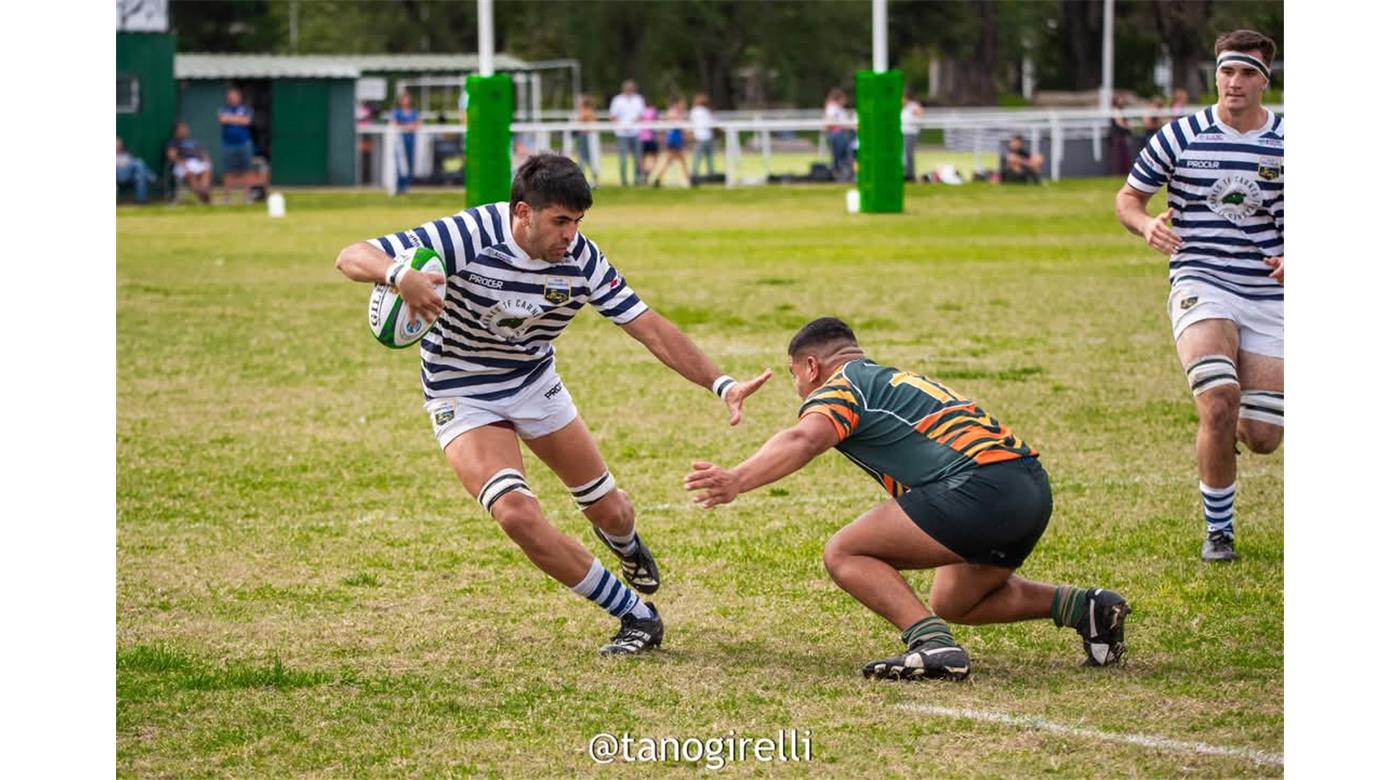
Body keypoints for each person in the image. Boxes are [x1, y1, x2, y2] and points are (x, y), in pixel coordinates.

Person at [333, 153, 771, 655]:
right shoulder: (472, 234)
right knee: (516, 513)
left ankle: (625, 544)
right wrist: (396, 274)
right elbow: (350, 255)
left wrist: (722, 384)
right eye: (560, 221)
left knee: (610, 510)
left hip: (534, 384)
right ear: (523, 212)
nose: (570, 234)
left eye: (578, 222)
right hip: (462, 390)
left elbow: (648, 327)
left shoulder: (582, 259)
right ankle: (636, 615)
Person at [685, 318, 1129, 680]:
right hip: (1028, 485)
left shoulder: (845, 387)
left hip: (980, 486)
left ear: (812, 366)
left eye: (795, 376)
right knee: (956, 601)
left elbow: (803, 440)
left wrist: (737, 479)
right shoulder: (889, 379)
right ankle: (1085, 606)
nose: (800, 388)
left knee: (845, 551)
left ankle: (933, 647)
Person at [1113, 30, 1283, 562]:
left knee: (1260, 436)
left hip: (1269, 296)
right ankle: (1219, 533)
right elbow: (1128, 198)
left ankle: (1234, 423)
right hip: (1200, 280)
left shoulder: (1291, 141)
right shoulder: (1180, 135)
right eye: (1227, 71)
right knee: (1216, 401)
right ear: (1215, 74)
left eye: (1247, 72)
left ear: (1265, 80)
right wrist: (1145, 226)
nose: (1235, 82)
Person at [218, 87, 257, 204]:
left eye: (234, 97)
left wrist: (230, 119)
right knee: (228, 171)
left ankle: (247, 196)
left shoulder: (246, 109)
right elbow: (222, 120)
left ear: (239, 98)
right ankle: (227, 197)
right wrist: (238, 119)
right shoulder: (223, 109)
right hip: (228, 145)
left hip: (244, 144)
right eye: (230, 97)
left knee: (247, 170)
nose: (232, 99)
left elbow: (247, 121)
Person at [609, 80, 646, 186]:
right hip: (622, 134)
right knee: (623, 158)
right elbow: (612, 116)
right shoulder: (617, 100)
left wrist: (634, 123)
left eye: (631, 88)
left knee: (638, 158)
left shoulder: (638, 99)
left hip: (636, 132)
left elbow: (642, 115)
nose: (629, 90)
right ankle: (624, 181)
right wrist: (620, 127)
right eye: (627, 88)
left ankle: (638, 180)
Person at [165, 121, 212, 204]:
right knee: (190, 174)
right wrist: (182, 162)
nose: (184, 130)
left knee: (206, 171)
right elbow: (171, 155)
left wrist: (206, 160)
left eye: (185, 128)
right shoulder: (174, 142)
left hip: (196, 162)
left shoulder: (193, 141)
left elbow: (203, 153)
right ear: (177, 131)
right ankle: (202, 195)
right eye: (181, 128)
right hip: (182, 163)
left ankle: (203, 191)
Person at [650, 97, 691, 188]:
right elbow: (677, 125)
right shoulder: (673, 112)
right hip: (673, 139)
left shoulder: (676, 112)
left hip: (676, 138)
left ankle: (658, 179)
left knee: (675, 160)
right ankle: (688, 179)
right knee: (677, 160)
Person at [391, 92, 422, 195]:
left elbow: (419, 124)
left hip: (411, 141)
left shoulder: (413, 112)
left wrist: (407, 126)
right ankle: (398, 186)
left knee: (409, 162)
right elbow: (393, 124)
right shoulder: (396, 112)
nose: (405, 101)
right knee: (399, 163)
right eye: (403, 99)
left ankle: (406, 186)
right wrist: (408, 126)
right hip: (400, 141)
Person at [823, 88, 853, 181]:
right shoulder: (832, 108)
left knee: (843, 156)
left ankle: (844, 174)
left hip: (841, 133)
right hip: (837, 134)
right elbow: (830, 122)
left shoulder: (838, 108)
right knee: (839, 158)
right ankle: (838, 175)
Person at [116, 136, 156, 204]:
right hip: (118, 175)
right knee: (139, 162)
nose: (118, 147)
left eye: (119, 145)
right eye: (116, 145)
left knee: (140, 176)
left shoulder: (126, 154)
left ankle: (141, 200)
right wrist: (120, 165)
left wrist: (125, 165)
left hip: (128, 175)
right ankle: (152, 177)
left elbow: (130, 164)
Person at [573, 95, 601, 187]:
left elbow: (580, 123)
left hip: (586, 138)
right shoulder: (588, 112)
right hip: (585, 138)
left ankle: (591, 180)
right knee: (585, 160)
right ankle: (590, 179)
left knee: (585, 160)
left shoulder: (586, 112)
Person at [689, 93, 716, 184]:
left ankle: (695, 174)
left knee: (698, 156)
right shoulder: (706, 111)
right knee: (709, 157)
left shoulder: (694, 111)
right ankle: (710, 173)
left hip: (700, 136)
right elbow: (712, 122)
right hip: (707, 136)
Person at [1108, 94, 1135, 176]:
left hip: (1121, 136)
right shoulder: (1116, 110)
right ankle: (1119, 173)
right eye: (1120, 99)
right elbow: (1120, 123)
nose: (1122, 101)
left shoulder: (1121, 110)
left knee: (1124, 156)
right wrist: (1128, 127)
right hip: (1118, 136)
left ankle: (1124, 172)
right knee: (1119, 157)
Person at [901, 91, 923, 181]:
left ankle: (910, 174)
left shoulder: (913, 106)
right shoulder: (903, 108)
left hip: (910, 132)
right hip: (903, 132)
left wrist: (916, 113)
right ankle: (905, 172)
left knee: (908, 153)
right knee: (903, 154)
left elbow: (920, 114)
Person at [638, 102, 659, 185]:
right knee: (654, 158)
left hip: (642, 137)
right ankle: (648, 172)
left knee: (643, 158)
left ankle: (644, 174)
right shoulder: (653, 110)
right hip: (651, 137)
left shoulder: (641, 111)